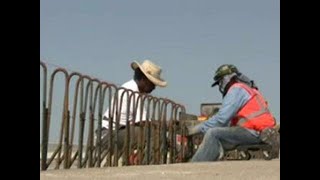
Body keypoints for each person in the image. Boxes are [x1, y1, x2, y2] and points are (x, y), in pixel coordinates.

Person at [187, 64, 276, 162]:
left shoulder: (236, 89)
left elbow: (221, 119)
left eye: (220, 82)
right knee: (216, 134)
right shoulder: (249, 89)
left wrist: (197, 129)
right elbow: (228, 122)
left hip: (254, 132)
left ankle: (194, 166)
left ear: (226, 79)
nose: (220, 85)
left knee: (213, 134)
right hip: (261, 131)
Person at [96, 59, 167, 165]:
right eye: (152, 83)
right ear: (144, 79)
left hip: (118, 131)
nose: (154, 87)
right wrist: (166, 124)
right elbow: (143, 122)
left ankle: (132, 165)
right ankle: (148, 171)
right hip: (109, 134)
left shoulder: (135, 91)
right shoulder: (131, 91)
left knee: (158, 135)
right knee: (155, 135)